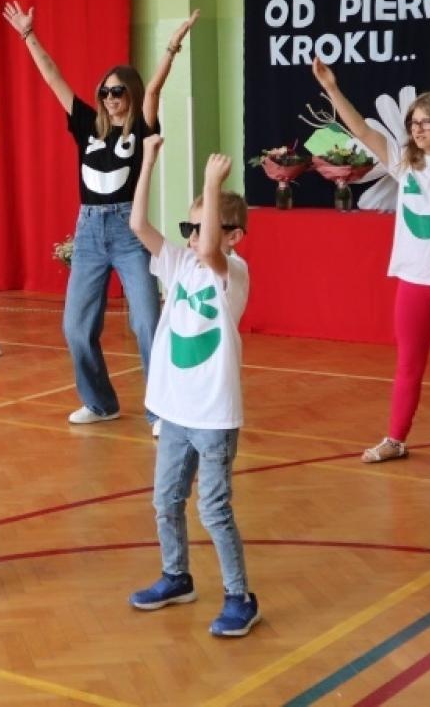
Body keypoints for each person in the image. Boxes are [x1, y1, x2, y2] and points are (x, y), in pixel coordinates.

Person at [3, 1, 198, 428]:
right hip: (89, 230)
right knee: (75, 328)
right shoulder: (87, 126)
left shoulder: (142, 129)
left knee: (147, 322)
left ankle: (161, 408)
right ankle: (100, 403)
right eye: (105, 93)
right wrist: (28, 35)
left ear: (130, 93)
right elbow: (53, 77)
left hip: (130, 231)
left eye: (118, 92)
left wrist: (171, 47)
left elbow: (155, 91)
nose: (110, 99)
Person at [312, 44, 430, 482]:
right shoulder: (405, 166)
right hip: (413, 284)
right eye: (412, 123)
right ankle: (395, 439)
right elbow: (361, 130)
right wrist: (332, 88)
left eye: (426, 122)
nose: (417, 129)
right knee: (407, 367)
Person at [126, 140, 261, 636]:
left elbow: (208, 248)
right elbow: (139, 226)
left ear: (234, 237)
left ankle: (239, 596)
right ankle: (176, 577)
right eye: (188, 226)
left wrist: (212, 185)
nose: (191, 238)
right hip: (174, 410)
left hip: (213, 414)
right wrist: (147, 162)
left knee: (213, 507)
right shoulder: (180, 264)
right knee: (165, 500)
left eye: (201, 228)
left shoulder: (234, 273)